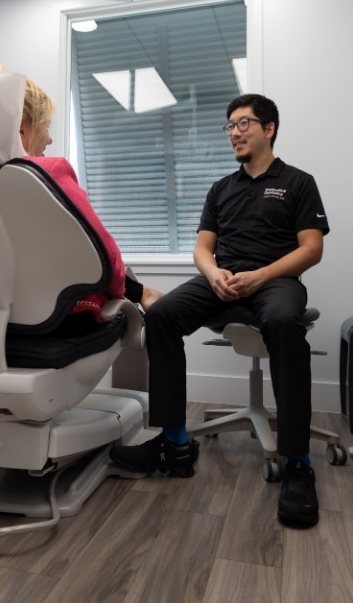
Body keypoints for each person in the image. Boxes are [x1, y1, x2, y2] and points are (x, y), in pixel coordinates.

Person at [110, 93, 329, 526]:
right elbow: (202, 248)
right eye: (229, 126)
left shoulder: (298, 182)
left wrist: (261, 276)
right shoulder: (221, 188)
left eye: (243, 123)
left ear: (269, 128)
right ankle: (174, 443)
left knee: (285, 322)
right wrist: (212, 275)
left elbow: (312, 249)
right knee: (161, 315)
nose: (234, 132)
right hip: (222, 281)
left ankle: (298, 463)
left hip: (275, 283)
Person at [0, 62, 162, 319]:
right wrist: (132, 292)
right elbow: (103, 259)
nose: (49, 139)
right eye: (45, 126)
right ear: (21, 127)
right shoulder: (46, 173)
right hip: (58, 323)